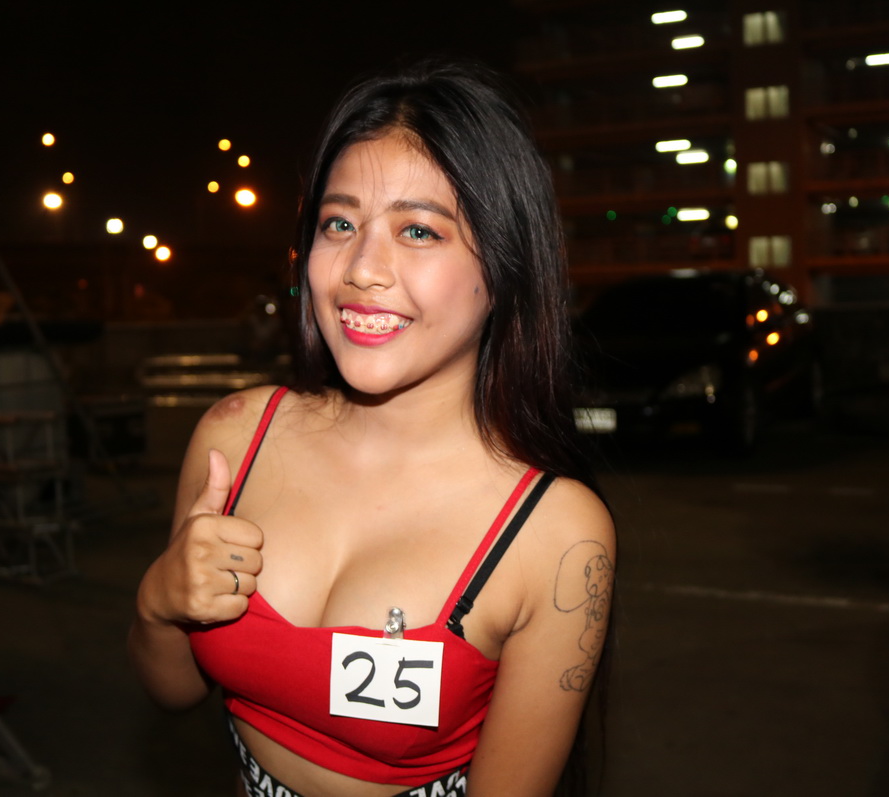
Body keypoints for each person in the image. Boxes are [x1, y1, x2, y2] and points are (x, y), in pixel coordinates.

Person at [129, 58, 615, 797]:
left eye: (418, 230)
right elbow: (172, 689)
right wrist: (158, 600)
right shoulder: (234, 438)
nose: (361, 268)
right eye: (340, 223)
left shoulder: (557, 534)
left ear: (505, 267)